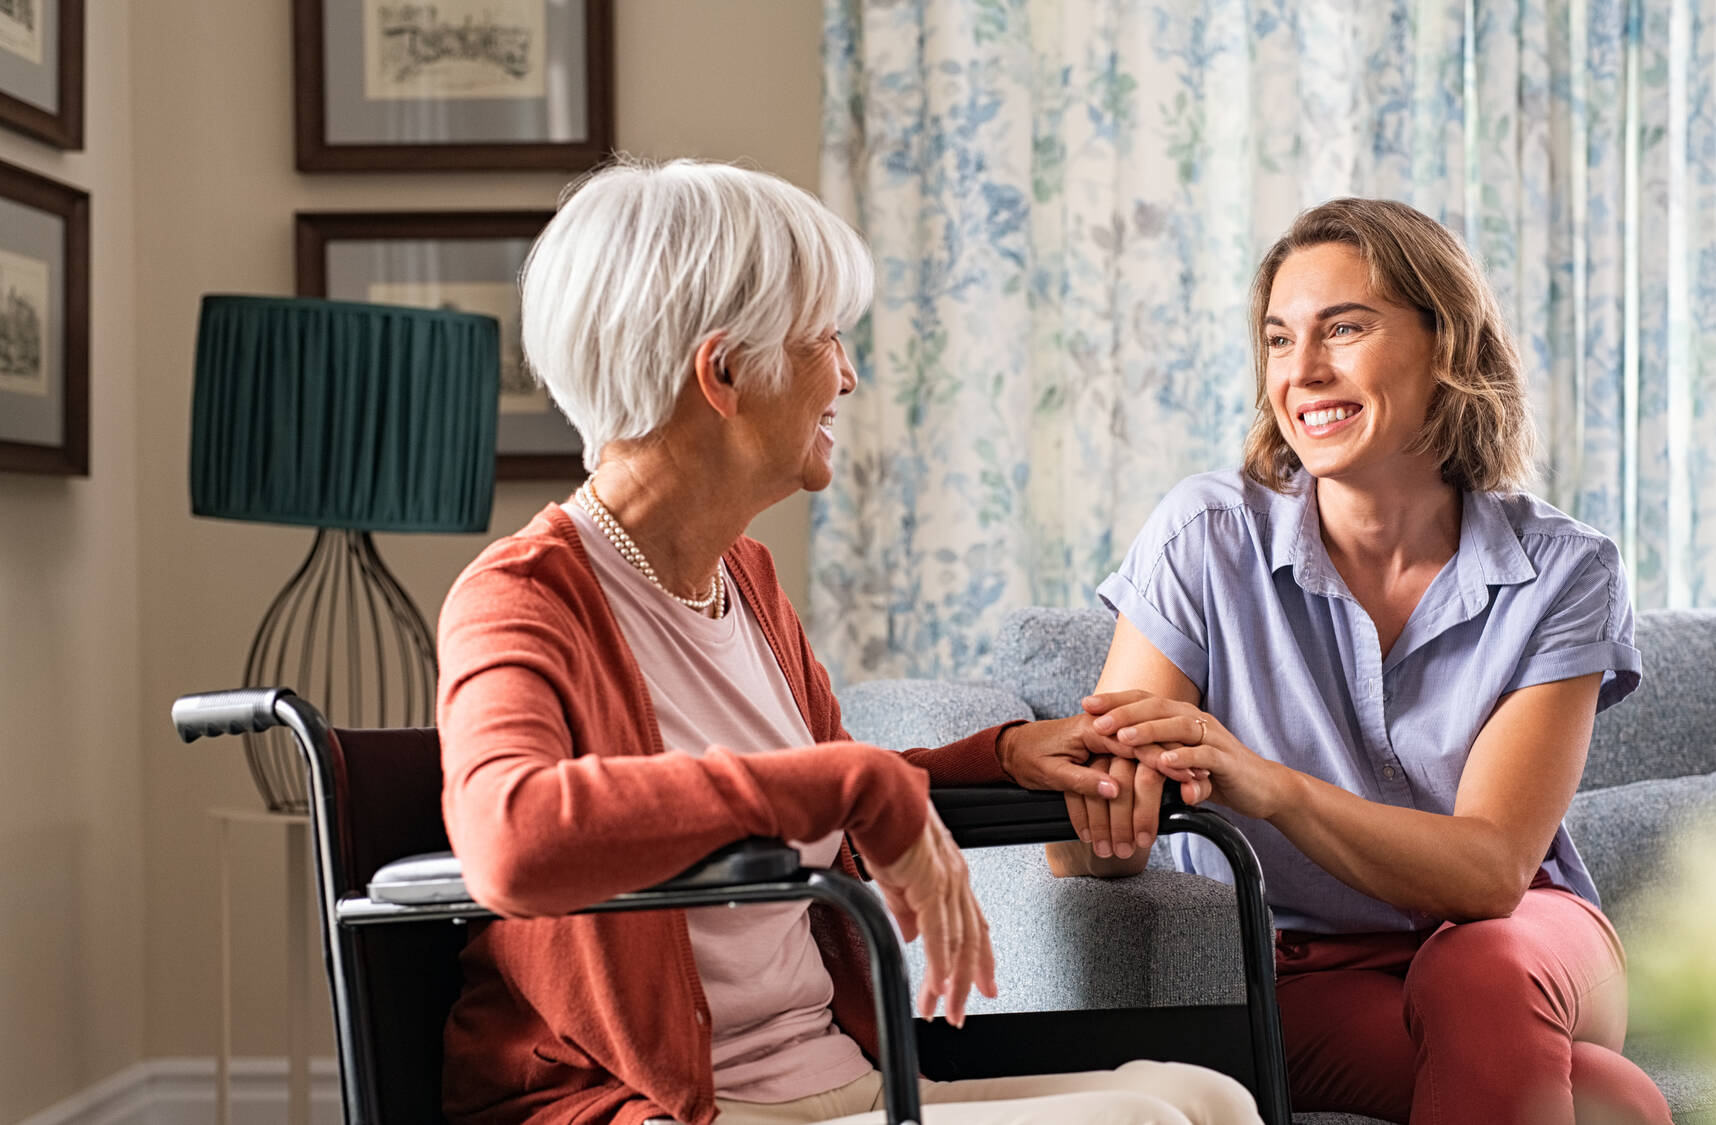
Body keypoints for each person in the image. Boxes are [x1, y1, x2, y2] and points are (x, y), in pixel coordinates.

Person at [435, 157, 1258, 1125]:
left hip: (828, 1084)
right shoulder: (522, 597)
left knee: (1202, 1098)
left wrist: (996, 757)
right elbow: (510, 840)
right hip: (656, 1105)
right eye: (826, 339)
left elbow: (801, 787)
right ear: (725, 372)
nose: (849, 374)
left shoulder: (744, 581)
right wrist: (851, 782)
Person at [1050, 199, 1673, 1125]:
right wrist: (1108, 816)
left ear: (1447, 344)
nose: (1302, 372)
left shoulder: (1564, 572)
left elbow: (1491, 871)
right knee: (1615, 1101)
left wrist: (1273, 787)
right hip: (1308, 968)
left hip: (1522, 937)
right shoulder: (1205, 537)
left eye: (1343, 329)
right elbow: (1081, 841)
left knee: (1479, 964)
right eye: (1278, 339)